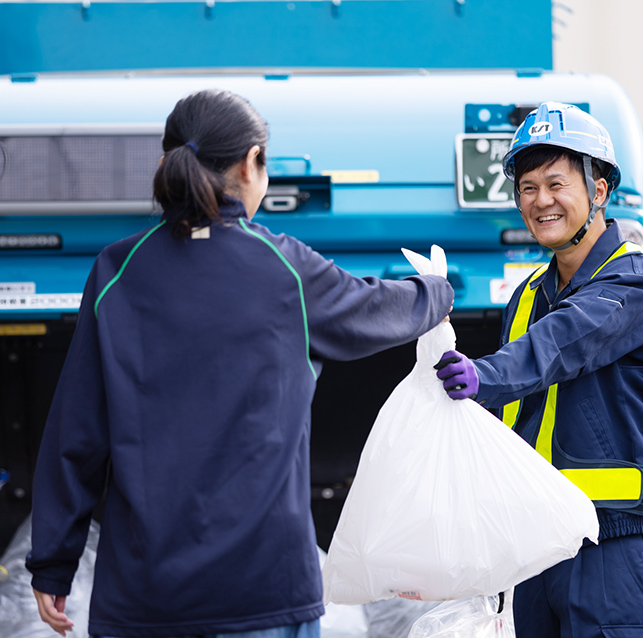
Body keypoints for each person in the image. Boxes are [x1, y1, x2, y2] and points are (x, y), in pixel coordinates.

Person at [26, 89, 454, 638]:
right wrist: (436, 291)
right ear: (253, 163)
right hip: (264, 593)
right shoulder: (283, 267)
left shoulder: (116, 271)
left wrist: (54, 563)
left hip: (145, 599)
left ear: (166, 164)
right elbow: (373, 308)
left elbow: (75, 433)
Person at [435, 102, 643, 638]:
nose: (541, 201)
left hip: (614, 546)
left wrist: (484, 375)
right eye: (528, 188)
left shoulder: (640, 286)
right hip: (532, 550)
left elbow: (569, 340)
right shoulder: (527, 297)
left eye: (556, 183)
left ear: (599, 191)